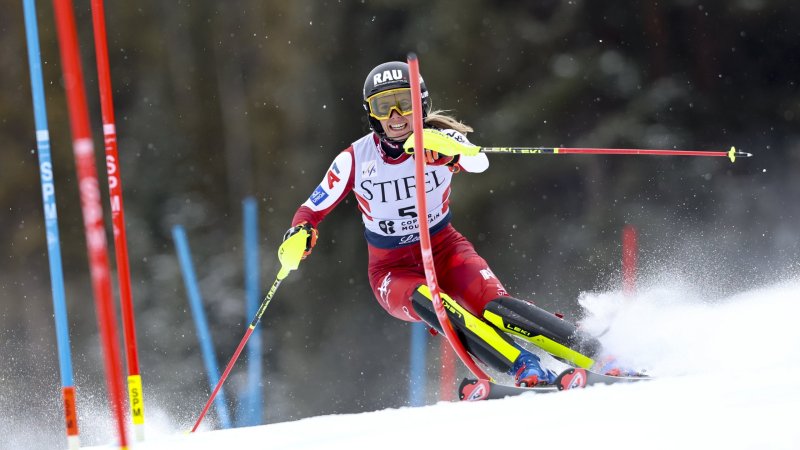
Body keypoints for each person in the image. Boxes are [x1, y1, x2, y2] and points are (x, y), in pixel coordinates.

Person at [280, 61, 628, 387]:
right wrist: (300, 232)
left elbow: (480, 164)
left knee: (494, 306)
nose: (396, 116)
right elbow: (311, 208)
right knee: (437, 306)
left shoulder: (439, 137)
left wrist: (449, 153)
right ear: (372, 113)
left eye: (405, 102)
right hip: (392, 269)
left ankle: (597, 356)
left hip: (445, 248)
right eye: (384, 106)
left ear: (422, 104)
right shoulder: (356, 158)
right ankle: (525, 366)